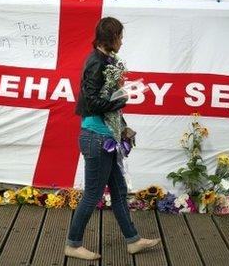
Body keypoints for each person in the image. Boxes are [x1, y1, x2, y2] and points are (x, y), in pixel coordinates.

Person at [64, 17, 161, 260]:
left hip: (106, 135)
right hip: (95, 138)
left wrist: (123, 127)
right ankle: (73, 244)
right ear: (111, 38)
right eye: (120, 37)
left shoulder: (107, 61)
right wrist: (122, 98)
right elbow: (92, 102)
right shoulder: (96, 63)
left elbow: (106, 105)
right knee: (93, 195)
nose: (122, 41)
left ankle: (133, 240)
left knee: (118, 192)